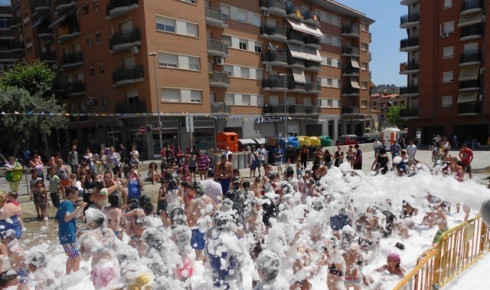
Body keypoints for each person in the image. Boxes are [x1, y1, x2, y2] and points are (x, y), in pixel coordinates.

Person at [79, 208, 120, 289]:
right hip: (113, 267)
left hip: (100, 270)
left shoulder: (89, 236)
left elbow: (85, 257)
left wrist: (81, 243)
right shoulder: (109, 231)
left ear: (91, 223)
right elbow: (116, 248)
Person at [54, 186, 86, 274]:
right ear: (70, 194)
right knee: (76, 256)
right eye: (76, 195)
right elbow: (67, 218)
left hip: (64, 235)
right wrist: (79, 209)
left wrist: (73, 226)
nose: (77, 197)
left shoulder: (62, 203)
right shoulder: (68, 204)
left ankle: (68, 275)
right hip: (68, 235)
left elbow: (56, 220)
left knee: (72, 256)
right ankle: (76, 277)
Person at [185, 182, 218, 260]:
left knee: (198, 254)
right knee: (208, 252)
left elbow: (187, 215)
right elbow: (217, 210)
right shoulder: (208, 199)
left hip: (197, 228)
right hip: (209, 227)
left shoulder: (194, 201)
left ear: (195, 190)